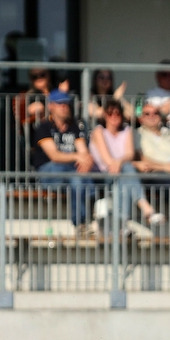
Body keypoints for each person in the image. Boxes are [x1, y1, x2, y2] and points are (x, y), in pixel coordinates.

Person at [88, 98, 166, 229]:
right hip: (103, 175)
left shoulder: (127, 130)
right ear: (105, 115)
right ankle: (146, 208)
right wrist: (123, 163)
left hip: (120, 174)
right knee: (127, 169)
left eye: (117, 113)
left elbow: (130, 154)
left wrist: (120, 162)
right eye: (110, 113)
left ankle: (122, 225)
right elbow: (108, 161)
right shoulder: (99, 131)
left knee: (122, 185)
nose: (114, 116)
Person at [30, 89, 96, 233]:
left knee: (76, 179)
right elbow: (54, 156)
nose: (65, 107)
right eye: (60, 104)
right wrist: (76, 157)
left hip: (71, 173)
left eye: (66, 104)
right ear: (51, 107)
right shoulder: (44, 127)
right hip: (48, 172)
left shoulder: (74, 127)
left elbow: (84, 153)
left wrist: (85, 161)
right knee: (72, 171)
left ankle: (80, 224)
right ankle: (93, 196)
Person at [133, 104, 170, 174]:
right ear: (141, 118)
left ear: (160, 116)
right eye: (147, 114)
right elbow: (142, 159)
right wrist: (165, 167)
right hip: (154, 176)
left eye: (156, 113)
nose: (152, 116)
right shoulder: (137, 135)